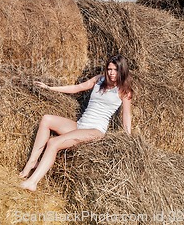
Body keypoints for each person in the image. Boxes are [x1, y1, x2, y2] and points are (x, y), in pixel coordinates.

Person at [20, 54, 133, 191]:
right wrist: (50, 88)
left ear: (122, 70)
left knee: (53, 143)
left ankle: (33, 182)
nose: (111, 73)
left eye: (115, 70)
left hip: (95, 131)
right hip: (80, 125)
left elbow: (126, 115)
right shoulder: (99, 80)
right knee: (46, 119)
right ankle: (32, 162)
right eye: (109, 69)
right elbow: (76, 88)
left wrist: (128, 140)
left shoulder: (124, 91)